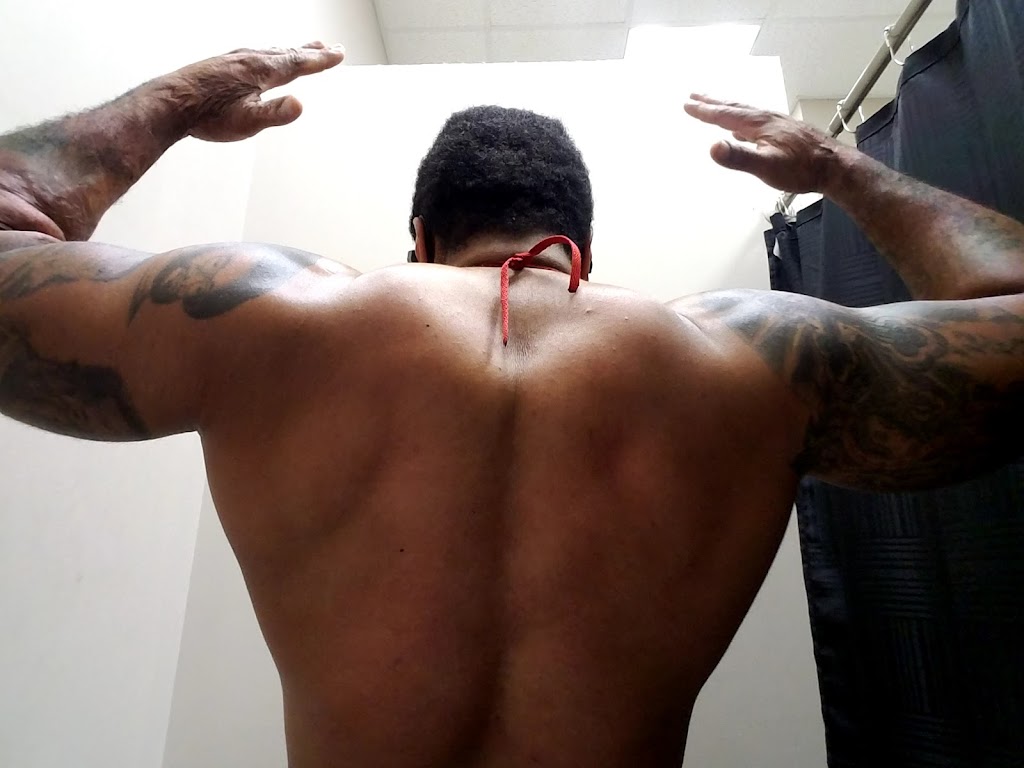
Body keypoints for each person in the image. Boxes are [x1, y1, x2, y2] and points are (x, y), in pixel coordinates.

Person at [1, 42, 1021, 768]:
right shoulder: (757, 364)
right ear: (580, 246)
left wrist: (181, 99)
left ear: (419, 236)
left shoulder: (266, 317)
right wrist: (840, 170)